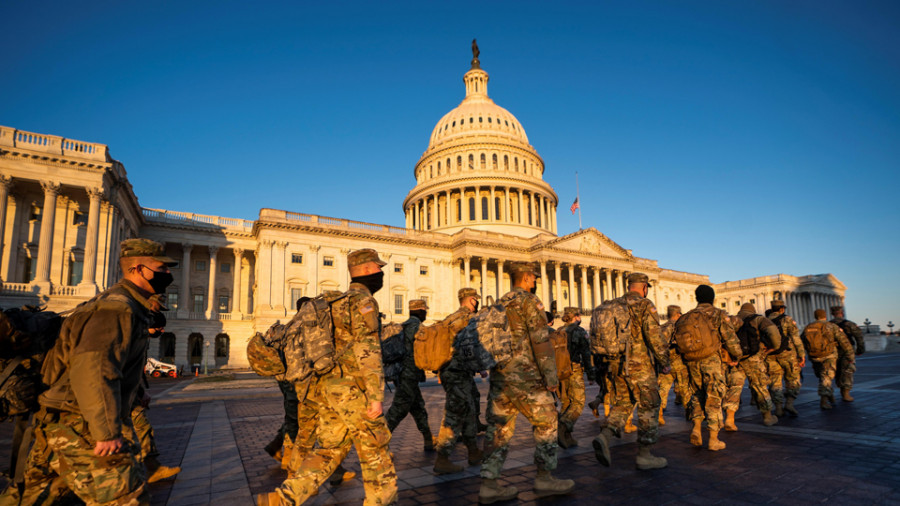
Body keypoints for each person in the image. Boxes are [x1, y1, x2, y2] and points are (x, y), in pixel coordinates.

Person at [1, 238, 177, 505]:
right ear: (138, 269)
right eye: (162, 268)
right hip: (79, 424)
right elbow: (94, 368)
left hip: (59, 420)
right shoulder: (117, 308)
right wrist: (106, 433)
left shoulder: (117, 303)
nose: (167, 274)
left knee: (32, 495)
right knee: (126, 497)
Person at [260, 248, 397, 506]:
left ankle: (282, 499)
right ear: (368, 269)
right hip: (353, 391)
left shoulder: (334, 303)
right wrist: (376, 396)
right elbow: (367, 351)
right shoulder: (363, 302)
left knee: (329, 449)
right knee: (375, 450)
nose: (381, 273)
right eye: (379, 268)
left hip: (327, 387)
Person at [479, 261, 573, 503]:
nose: (535, 281)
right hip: (527, 375)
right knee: (547, 421)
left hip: (501, 376)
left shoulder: (499, 303)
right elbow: (541, 340)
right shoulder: (529, 301)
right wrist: (551, 377)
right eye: (534, 277)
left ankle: (489, 484)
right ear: (528, 278)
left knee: (498, 429)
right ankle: (544, 477)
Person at [592, 273, 670, 470]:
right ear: (644, 287)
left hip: (617, 364)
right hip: (640, 364)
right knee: (649, 404)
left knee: (624, 402)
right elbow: (654, 336)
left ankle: (605, 435)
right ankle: (645, 454)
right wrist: (665, 361)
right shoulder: (643, 304)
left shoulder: (613, 304)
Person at [679, 285, 743, 451]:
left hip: (692, 361)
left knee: (697, 393)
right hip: (712, 360)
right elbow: (730, 338)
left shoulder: (687, 316)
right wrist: (736, 355)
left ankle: (696, 428)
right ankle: (713, 439)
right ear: (713, 298)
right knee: (714, 396)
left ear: (697, 298)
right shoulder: (718, 314)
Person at [433, 288, 483, 475]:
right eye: (475, 300)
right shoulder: (466, 319)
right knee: (454, 414)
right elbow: (471, 345)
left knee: (469, 410)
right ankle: (442, 458)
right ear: (471, 300)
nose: (476, 303)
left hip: (454, 372)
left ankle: (473, 451)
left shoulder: (450, 318)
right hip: (457, 372)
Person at [134, 296, 181, 484]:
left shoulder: (140, 335)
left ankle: (151, 466)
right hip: (114, 395)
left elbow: (133, 368)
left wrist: (139, 391)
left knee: (140, 428)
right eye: (159, 328)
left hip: (128, 393)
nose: (161, 331)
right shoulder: (130, 328)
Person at [723, 303, 781, 430]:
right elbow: (773, 331)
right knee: (760, 387)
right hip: (754, 358)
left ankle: (730, 419)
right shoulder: (758, 319)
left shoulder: (732, 320)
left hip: (736, 359)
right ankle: (767, 417)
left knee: (734, 387)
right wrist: (774, 347)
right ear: (752, 310)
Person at [385, 299, 434, 451]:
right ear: (420, 310)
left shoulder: (403, 326)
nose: (426, 313)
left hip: (402, 373)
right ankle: (379, 444)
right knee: (398, 410)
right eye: (425, 310)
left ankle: (428, 439)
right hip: (409, 374)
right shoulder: (417, 328)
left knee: (418, 407)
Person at [802, 309, 856, 410]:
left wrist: (802, 356)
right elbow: (843, 341)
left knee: (822, 377)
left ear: (815, 316)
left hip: (814, 357)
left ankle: (830, 397)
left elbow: (802, 342)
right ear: (825, 316)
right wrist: (850, 355)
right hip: (828, 356)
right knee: (826, 378)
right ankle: (824, 401)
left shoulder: (808, 327)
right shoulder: (831, 326)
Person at [557, 307, 590, 448]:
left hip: (560, 371)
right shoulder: (579, 331)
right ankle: (562, 426)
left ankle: (567, 437)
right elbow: (586, 355)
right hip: (574, 369)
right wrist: (591, 373)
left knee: (566, 402)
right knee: (578, 402)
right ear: (576, 316)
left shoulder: (558, 331)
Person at [766, 300, 805, 416]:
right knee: (793, 379)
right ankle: (789, 403)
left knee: (775, 382)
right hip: (787, 354)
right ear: (782, 308)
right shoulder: (787, 319)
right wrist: (801, 355)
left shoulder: (765, 321)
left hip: (770, 355)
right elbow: (796, 339)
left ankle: (778, 408)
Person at [657, 305, 690, 426]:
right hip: (679, 362)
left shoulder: (661, 327)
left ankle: (660, 413)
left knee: (663, 389)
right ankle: (688, 412)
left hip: (665, 363)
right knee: (684, 388)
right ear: (677, 314)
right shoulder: (679, 326)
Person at [830, 306, 865, 402]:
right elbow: (859, 338)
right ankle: (845, 394)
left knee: (836, 372)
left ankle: (833, 392)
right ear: (842, 313)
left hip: (832, 351)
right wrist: (860, 350)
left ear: (832, 314)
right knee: (847, 371)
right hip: (847, 351)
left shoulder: (828, 325)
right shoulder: (849, 324)